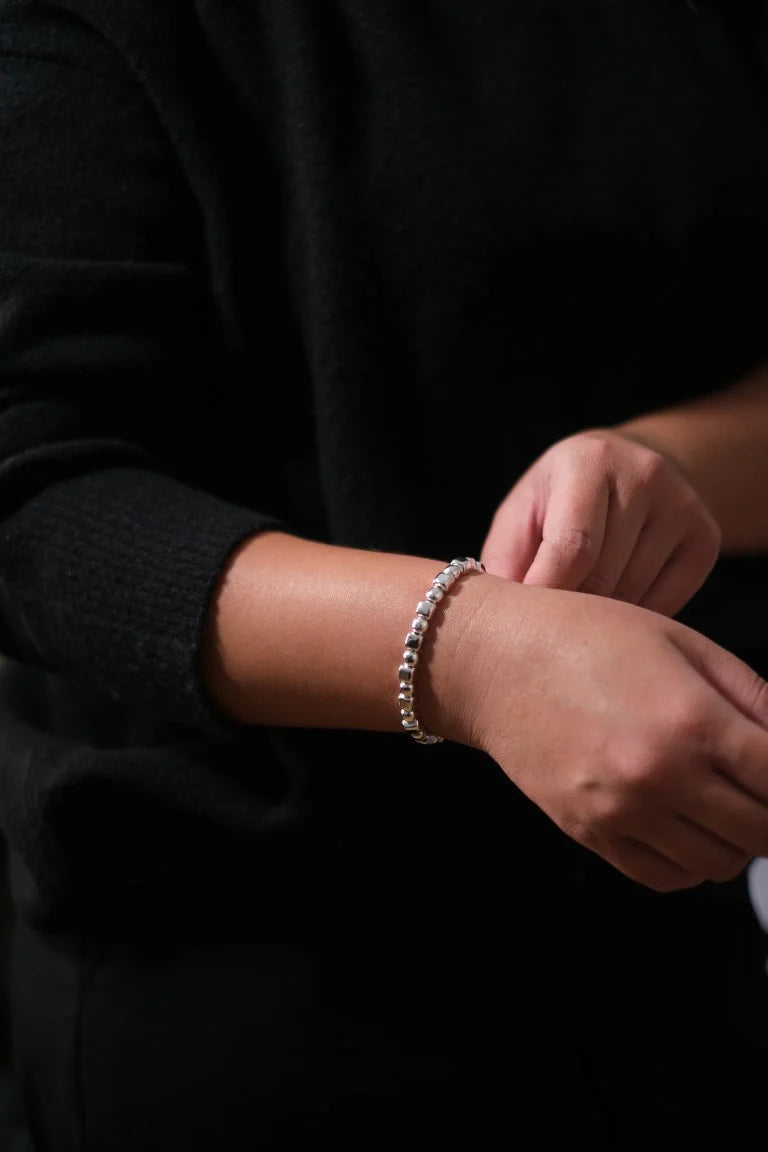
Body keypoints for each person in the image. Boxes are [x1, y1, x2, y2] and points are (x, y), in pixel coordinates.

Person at [1, 0, 768, 1147]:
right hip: (266, 969)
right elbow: (35, 497)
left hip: (695, 924)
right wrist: (471, 655)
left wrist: (664, 466)